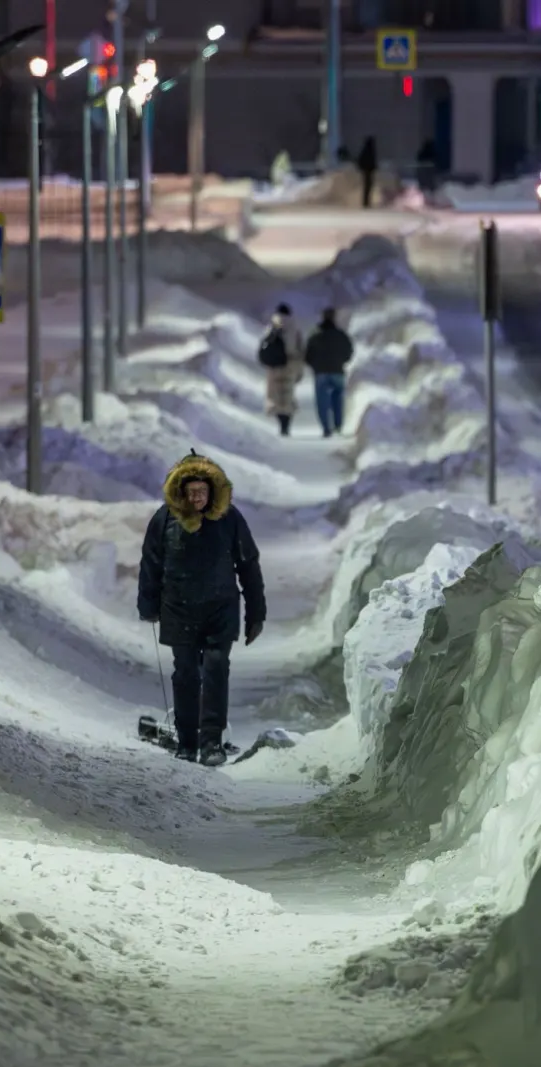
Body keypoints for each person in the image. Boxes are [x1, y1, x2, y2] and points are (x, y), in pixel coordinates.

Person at [137, 451, 266, 767]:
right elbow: (151, 564)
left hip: (220, 610)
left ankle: (211, 743)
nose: (196, 498)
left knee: (216, 670)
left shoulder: (230, 519)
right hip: (177, 609)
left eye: (202, 492)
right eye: (191, 492)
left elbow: (248, 565)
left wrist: (256, 613)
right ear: (181, 492)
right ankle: (187, 742)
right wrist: (148, 605)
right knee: (186, 675)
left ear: (212, 491)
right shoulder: (164, 519)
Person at [304, 306, 356, 437]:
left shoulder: (315, 335)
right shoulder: (341, 335)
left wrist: (314, 365)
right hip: (337, 370)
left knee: (322, 402)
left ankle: (326, 428)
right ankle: (338, 425)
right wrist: (342, 361)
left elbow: (307, 355)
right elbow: (349, 352)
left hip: (320, 372)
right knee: (338, 399)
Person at [258, 303, 306, 436]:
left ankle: (280, 422)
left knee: (276, 395)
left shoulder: (272, 326)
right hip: (290, 364)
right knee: (287, 395)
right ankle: (286, 424)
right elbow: (301, 349)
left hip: (274, 366)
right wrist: (300, 370)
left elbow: (264, 345)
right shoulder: (295, 327)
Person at [357, 136, 379, 208]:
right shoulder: (369, 151)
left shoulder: (366, 151)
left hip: (367, 172)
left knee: (367, 188)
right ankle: (366, 202)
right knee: (367, 188)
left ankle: (366, 202)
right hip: (368, 172)